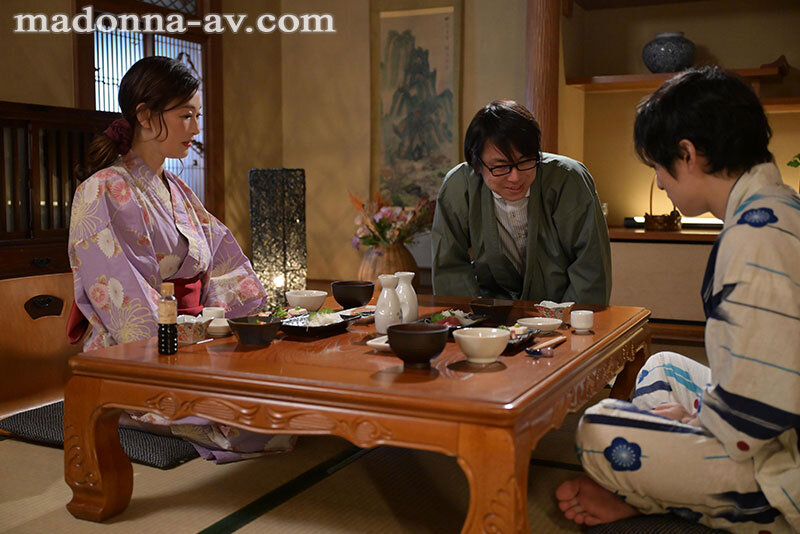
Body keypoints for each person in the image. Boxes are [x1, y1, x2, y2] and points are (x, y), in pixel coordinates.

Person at [556, 67, 800, 533]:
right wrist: (698, 414)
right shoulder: (779, 206)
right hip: (766, 421)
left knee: (597, 430)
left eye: (657, 165)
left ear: (687, 154)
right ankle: (662, 490)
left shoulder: (757, 238)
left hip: (781, 456)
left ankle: (737, 510)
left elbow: (764, 408)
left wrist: (696, 420)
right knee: (664, 365)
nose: (660, 182)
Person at [67, 56, 294, 462]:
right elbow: (120, 295)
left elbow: (222, 259)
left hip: (192, 340)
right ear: (145, 116)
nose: (196, 128)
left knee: (281, 392)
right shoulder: (100, 191)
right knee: (247, 421)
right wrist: (185, 342)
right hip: (137, 352)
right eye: (186, 116)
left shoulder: (177, 189)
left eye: (198, 116)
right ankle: (139, 413)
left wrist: (248, 323)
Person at [431, 100, 611, 304]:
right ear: (476, 161)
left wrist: (566, 317)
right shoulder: (458, 187)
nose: (515, 178)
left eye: (525, 161)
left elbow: (591, 265)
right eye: (501, 167)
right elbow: (449, 267)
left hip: (563, 308)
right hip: (492, 314)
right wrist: (471, 317)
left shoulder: (568, 179)